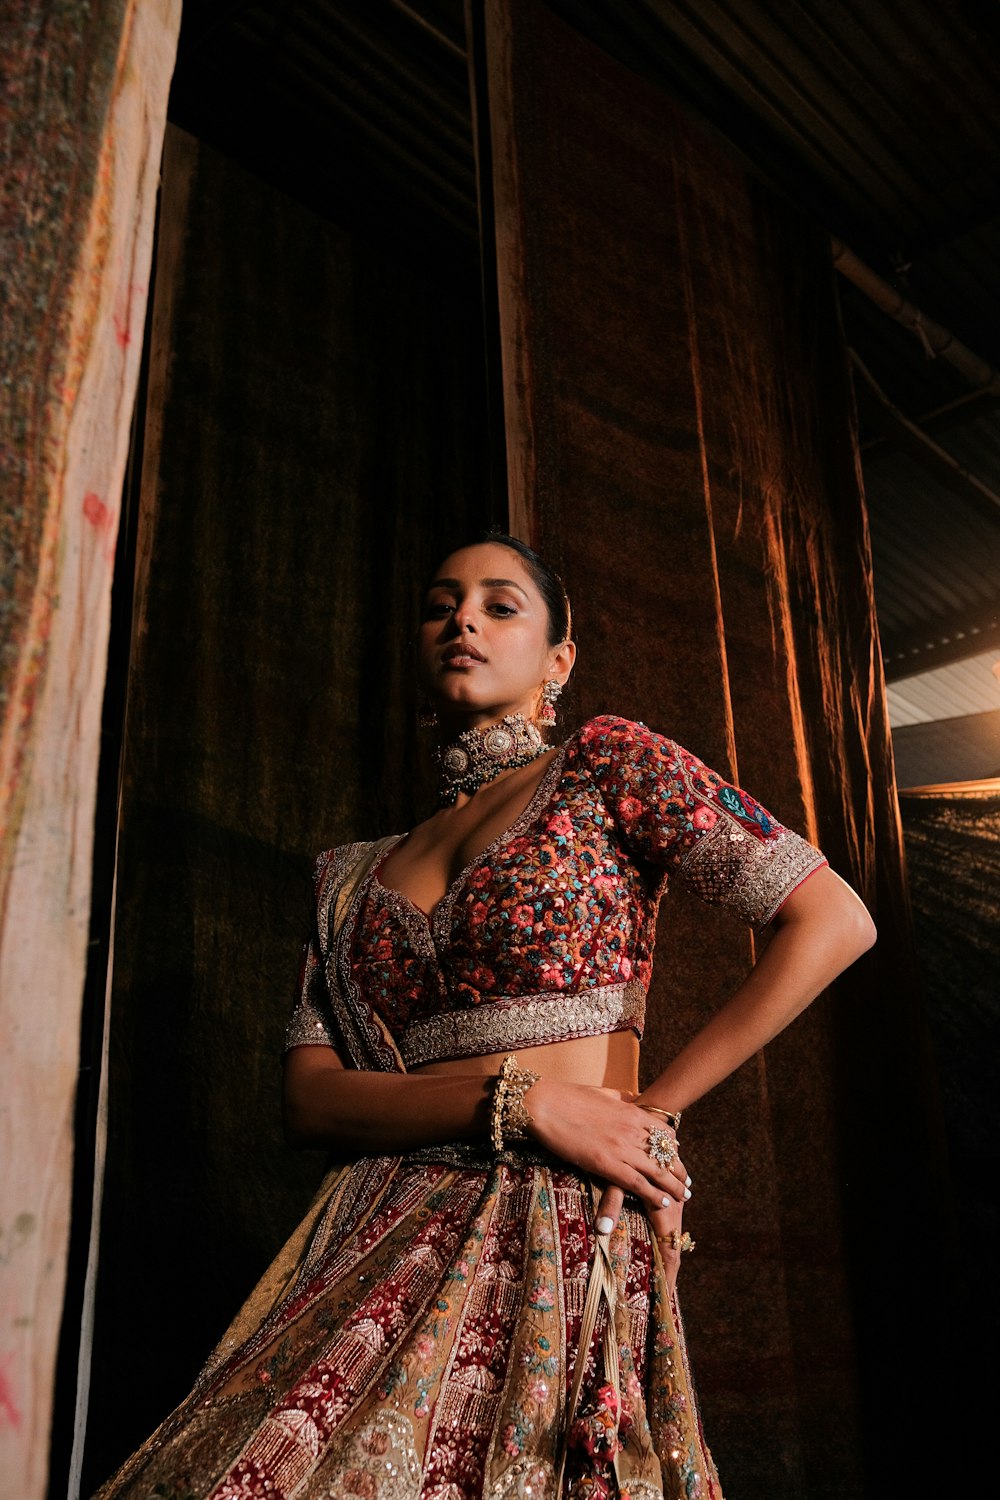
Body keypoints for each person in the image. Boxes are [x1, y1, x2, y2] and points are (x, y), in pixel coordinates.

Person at [94, 533, 875, 1500]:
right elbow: (309, 1101)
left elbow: (833, 920)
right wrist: (522, 1102)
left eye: (500, 604)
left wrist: (648, 1118)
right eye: (440, 604)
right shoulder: (345, 876)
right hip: (370, 1228)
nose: (462, 617)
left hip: (548, 1224)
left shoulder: (603, 766)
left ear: (559, 661)